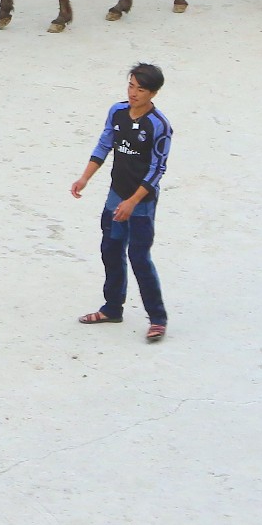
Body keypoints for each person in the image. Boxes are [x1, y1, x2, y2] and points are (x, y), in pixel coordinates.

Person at [70, 63, 173, 343]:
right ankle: (112, 308)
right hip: (116, 196)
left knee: (139, 258)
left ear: (153, 93)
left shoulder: (159, 126)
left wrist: (132, 202)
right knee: (111, 250)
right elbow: (104, 145)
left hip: (140, 204)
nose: (133, 93)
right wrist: (85, 178)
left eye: (140, 89)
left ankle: (158, 319)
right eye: (131, 86)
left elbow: (157, 169)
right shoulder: (117, 112)